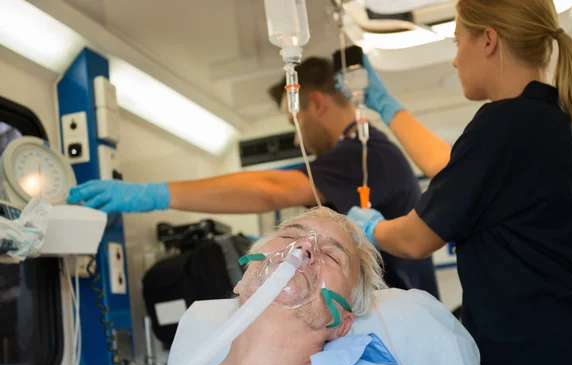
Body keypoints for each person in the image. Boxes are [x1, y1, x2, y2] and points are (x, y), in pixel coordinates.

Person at [348, 0, 572, 365]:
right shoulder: (545, 120)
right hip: (569, 359)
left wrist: (366, 229)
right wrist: (386, 106)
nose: (454, 60)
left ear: (488, 41)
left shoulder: (502, 124)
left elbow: (415, 239)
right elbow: (453, 169)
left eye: (457, 42)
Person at [66, 57, 440, 298]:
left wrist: (153, 194)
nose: (297, 138)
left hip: (397, 318)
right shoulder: (361, 152)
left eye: (293, 122)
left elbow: (271, 189)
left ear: (316, 104)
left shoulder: (363, 153)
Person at [117, 207, 433, 365]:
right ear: (242, 279)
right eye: (288, 236)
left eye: (332, 255)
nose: (304, 248)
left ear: (341, 323)